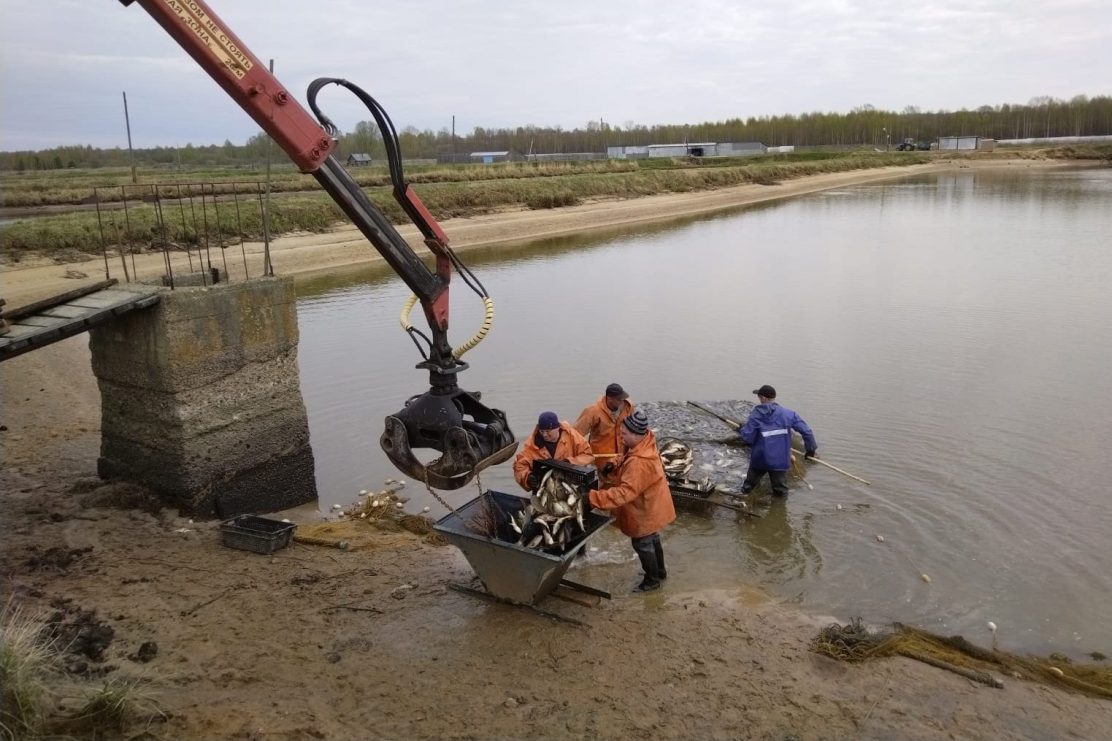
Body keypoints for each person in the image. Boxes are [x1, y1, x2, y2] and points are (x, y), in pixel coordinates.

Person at [587, 409, 676, 592]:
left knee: (641, 541)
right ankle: (660, 572)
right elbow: (626, 455)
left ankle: (652, 581)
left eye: (624, 434)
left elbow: (623, 494)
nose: (621, 437)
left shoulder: (639, 463)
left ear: (636, 434)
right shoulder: (644, 443)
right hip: (654, 502)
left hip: (644, 507)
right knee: (652, 536)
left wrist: (593, 498)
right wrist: (614, 462)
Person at [738, 385, 817, 497]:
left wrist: (742, 429)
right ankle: (779, 510)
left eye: (759, 396)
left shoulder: (755, 415)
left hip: (760, 459)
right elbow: (807, 432)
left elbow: (747, 437)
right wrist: (810, 450)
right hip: (780, 460)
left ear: (764, 398)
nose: (759, 399)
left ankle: (743, 498)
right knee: (781, 491)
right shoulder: (789, 414)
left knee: (748, 487)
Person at [513, 411, 594, 491]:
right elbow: (519, 465)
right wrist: (528, 477)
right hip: (546, 487)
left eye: (548, 431)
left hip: (571, 484)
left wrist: (569, 463)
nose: (544, 435)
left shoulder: (572, 436)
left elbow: (587, 455)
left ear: (557, 428)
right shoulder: (533, 444)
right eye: (542, 431)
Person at [574, 382, 634, 484]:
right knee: (607, 484)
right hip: (602, 458)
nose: (622, 401)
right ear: (609, 398)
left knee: (624, 482)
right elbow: (575, 434)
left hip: (622, 455)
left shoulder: (628, 407)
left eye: (623, 398)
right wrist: (577, 455)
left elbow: (634, 429)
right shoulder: (592, 411)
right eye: (619, 399)